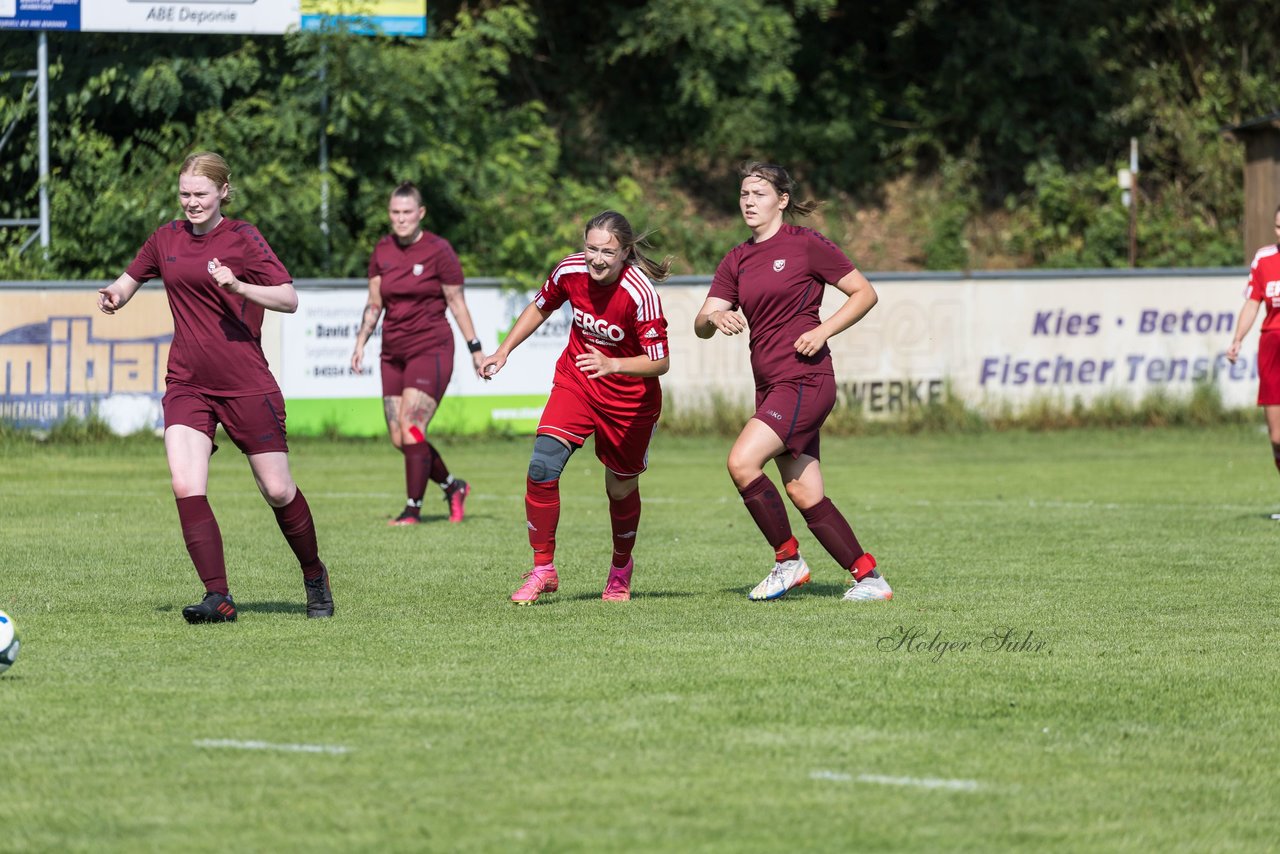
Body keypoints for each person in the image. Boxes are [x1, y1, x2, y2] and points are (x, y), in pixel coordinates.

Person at [97, 151, 333, 623]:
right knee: (185, 483)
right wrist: (115, 296)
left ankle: (313, 574)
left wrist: (239, 287)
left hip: (246, 383)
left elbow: (288, 298)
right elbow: (128, 281)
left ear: (224, 191)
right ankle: (218, 597)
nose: (191, 202)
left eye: (201, 194)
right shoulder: (166, 238)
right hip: (187, 381)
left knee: (278, 489)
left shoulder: (243, 238)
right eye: (185, 194)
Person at [694, 161, 892, 603]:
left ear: (782, 201)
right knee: (804, 492)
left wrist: (823, 331)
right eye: (744, 193)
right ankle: (870, 579)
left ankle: (788, 561)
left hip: (805, 380)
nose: (748, 201)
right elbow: (700, 323)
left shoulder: (806, 245)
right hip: (771, 386)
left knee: (742, 462)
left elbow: (865, 293)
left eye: (759, 194)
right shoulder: (737, 258)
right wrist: (715, 315)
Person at [480, 211, 671, 604]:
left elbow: (660, 361)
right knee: (542, 465)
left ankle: (620, 568)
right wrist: (504, 351)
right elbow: (540, 306)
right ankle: (543, 569)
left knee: (620, 488)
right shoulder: (569, 270)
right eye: (591, 249)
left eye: (607, 252)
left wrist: (613, 364)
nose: (597, 259)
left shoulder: (640, 294)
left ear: (625, 253)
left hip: (629, 402)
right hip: (578, 382)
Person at [351, 182, 484, 526]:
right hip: (392, 352)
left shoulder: (439, 250)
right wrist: (361, 341)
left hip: (431, 348)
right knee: (401, 438)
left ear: (420, 213)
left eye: (407, 212)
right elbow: (374, 302)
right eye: (395, 212)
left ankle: (412, 509)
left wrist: (476, 350)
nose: (400, 219)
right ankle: (454, 486)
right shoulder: (382, 250)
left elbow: (457, 303)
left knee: (412, 428)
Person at [1227, 203, 1280, 519]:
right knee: (1276, 438)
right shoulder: (1264, 259)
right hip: (1272, 348)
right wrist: (1237, 339)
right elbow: (1252, 303)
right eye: (1278, 227)